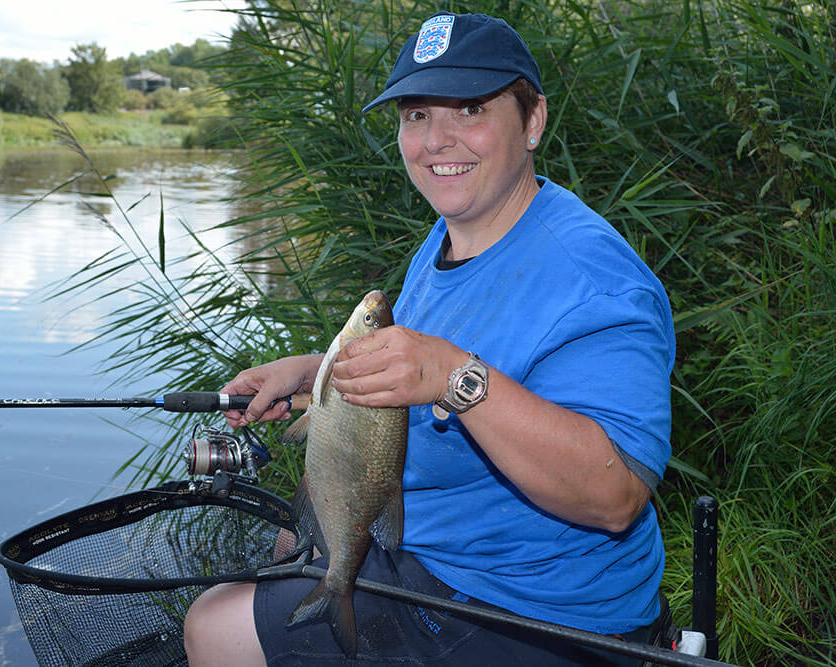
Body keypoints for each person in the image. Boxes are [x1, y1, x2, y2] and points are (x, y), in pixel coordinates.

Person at [184, 11, 675, 666]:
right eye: (416, 114)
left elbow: (616, 495)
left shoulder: (595, 281)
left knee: (212, 625)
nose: (437, 140)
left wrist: (453, 375)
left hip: (532, 607)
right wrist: (315, 374)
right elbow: (416, 369)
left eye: (469, 108)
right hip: (437, 546)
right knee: (290, 534)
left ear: (532, 121)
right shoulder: (456, 231)